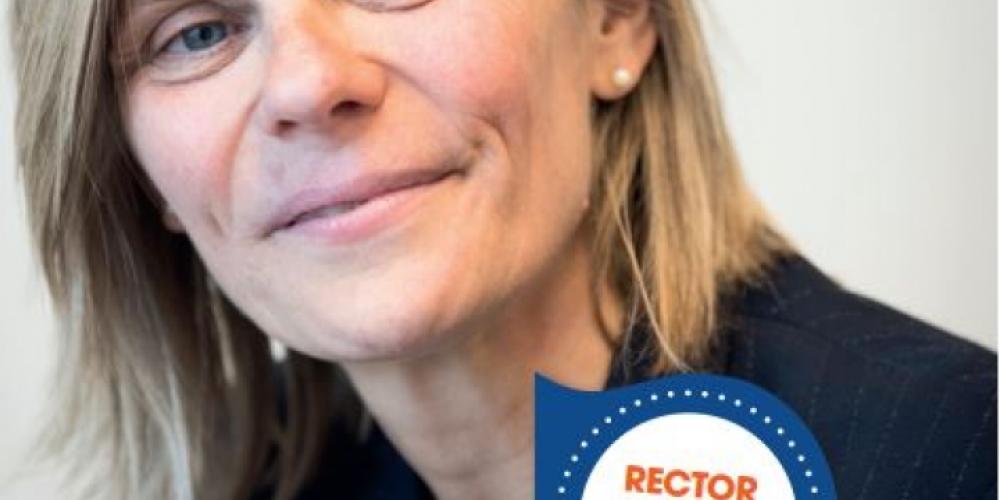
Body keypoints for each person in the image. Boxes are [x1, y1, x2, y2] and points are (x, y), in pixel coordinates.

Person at [9, 0, 995, 499]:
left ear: (613, 18)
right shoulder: (258, 482)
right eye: (197, 32)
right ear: (137, 167)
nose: (307, 84)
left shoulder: (948, 453)